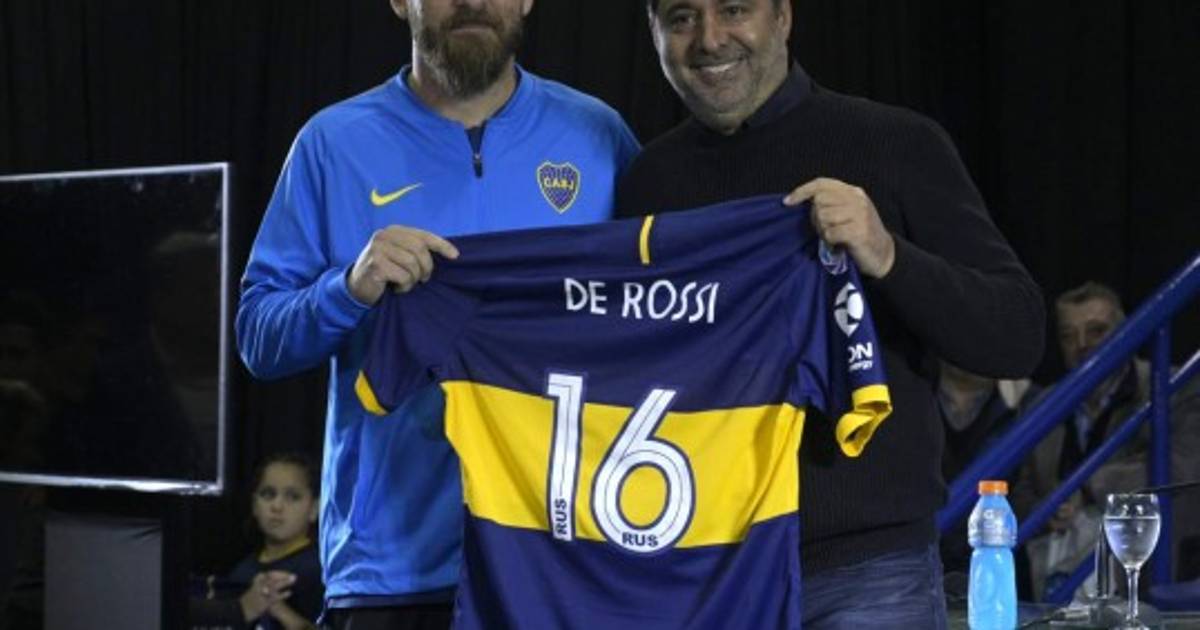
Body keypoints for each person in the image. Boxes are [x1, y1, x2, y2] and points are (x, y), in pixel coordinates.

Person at [618, 1, 1045, 627]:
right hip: (702, 572)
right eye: (682, 18)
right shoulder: (649, 182)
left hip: (866, 576)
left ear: (783, 17)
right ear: (653, 33)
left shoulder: (896, 143)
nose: (709, 39)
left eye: (734, 9)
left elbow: (1016, 335)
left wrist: (888, 255)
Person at [235, 0, 639, 627]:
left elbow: (667, 309)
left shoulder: (598, 135)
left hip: (561, 560)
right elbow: (257, 338)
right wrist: (349, 288)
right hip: (391, 574)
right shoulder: (333, 143)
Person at [1012, 282, 1200, 597]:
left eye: (1096, 331)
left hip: (1150, 582)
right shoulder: (1041, 405)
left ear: (1125, 332)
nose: (1082, 345)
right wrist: (1045, 512)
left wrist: (1088, 488)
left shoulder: (1175, 387)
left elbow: (1183, 466)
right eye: (1068, 335)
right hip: (1059, 587)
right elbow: (1020, 492)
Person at [935, 360, 1039, 600]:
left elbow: (1036, 488)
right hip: (926, 560)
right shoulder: (910, 399)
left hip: (1000, 561)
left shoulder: (1029, 403)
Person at [191, 453, 323, 630]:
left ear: (314, 508)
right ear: (254, 505)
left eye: (293, 496)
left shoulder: (322, 571)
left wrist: (279, 611)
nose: (277, 506)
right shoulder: (242, 571)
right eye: (268, 494)